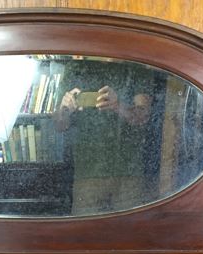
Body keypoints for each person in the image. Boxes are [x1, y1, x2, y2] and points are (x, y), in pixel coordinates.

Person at [52, 58, 154, 215]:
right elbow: (59, 125)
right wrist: (65, 109)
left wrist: (117, 106)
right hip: (87, 173)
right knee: (84, 236)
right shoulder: (76, 68)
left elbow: (143, 118)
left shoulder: (136, 66)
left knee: (130, 236)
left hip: (128, 173)